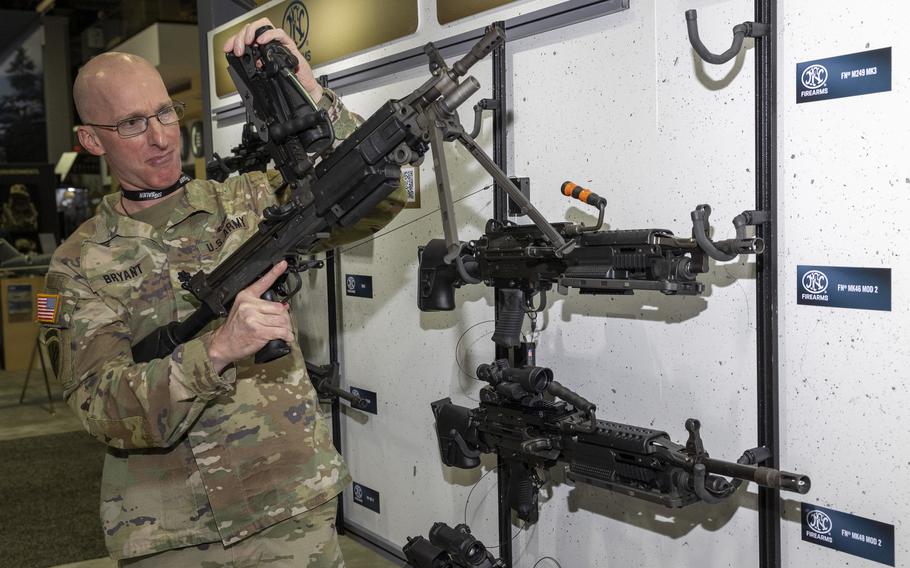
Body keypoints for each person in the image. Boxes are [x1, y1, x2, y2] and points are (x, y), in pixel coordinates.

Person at [40, 18, 405, 567]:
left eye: (165, 112)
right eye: (133, 123)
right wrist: (214, 352)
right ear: (91, 139)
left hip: (291, 507)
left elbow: (378, 191)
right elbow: (101, 407)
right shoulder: (76, 267)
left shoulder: (250, 200)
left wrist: (308, 90)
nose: (162, 137)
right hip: (170, 533)